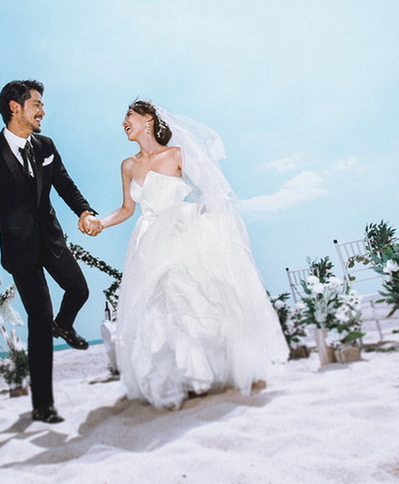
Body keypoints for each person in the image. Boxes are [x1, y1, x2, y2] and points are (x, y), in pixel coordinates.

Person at [96, 100, 288, 410]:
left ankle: (203, 374)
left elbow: (213, 189)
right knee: (159, 305)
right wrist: (99, 223)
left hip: (181, 233)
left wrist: (203, 222)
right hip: (148, 240)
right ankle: (182, 376)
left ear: (147, 119)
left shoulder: (176, 154)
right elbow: (126, 209)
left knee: (185, 295)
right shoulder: (128, 165)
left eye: (128, 116)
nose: (123, 122)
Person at [0, 79, 102, 424]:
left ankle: (64, 325)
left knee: (80, 290)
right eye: (37, 104)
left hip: (52, 241)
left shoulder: (46, 146)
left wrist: (84, 210)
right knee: (39, 320)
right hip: (18, 251)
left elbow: (64, 183)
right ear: (16, 107)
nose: (43, 111)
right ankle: (43, 405)